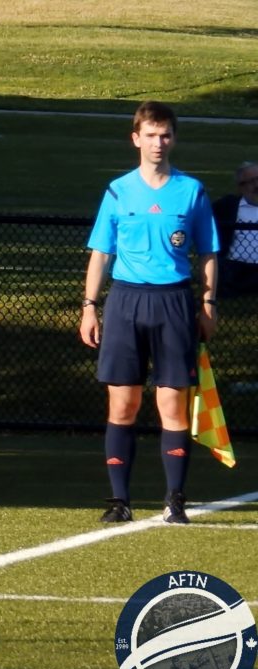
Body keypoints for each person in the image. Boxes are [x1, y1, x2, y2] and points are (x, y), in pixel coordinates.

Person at [78, 100, 219, 526]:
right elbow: (101, 253)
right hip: (125, 302)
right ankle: (119, 501)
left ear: (174, 139)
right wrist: (89, 307)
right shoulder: (118, 190)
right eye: (151, 135)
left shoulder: (191, 191)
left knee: (172, 403)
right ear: (136, 139)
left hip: (173, 303)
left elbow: (208, 252)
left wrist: (208, 303)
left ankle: (175, 499)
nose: (159, 142)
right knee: (123, 403)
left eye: (166, 135)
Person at [213, 161, 258, 297]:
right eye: (251, 182)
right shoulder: (228, 206)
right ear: (241, 187)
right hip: (237, 269)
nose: (257, 185)